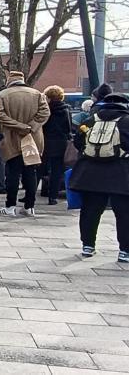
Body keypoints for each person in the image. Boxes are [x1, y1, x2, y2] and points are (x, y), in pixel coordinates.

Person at [70, 93, 129, 263]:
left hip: (90, 174)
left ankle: (88, 245)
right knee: (124, 213)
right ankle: (124, 251)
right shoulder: (127, 121)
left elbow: (78, 143)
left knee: (90, 211)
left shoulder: (90, 121)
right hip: (121, 173)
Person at [0, 71, 50, 217]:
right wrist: (31, 126)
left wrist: (18, 126)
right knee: (31, 172)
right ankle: (29, 207)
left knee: (13, 173)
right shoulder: (37, 94)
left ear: (9, 81)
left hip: (12, 138)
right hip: (33, 139)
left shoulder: (3, 95)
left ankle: (10, 206)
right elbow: (45, 112)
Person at [40, 86, 72, 205]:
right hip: (60, 142)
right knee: (56, 170)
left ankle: (31, 195)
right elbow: (68, 128)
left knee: (39, 169)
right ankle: (52, 197)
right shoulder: (66, 109)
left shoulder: (45, 109)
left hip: (45, 141)